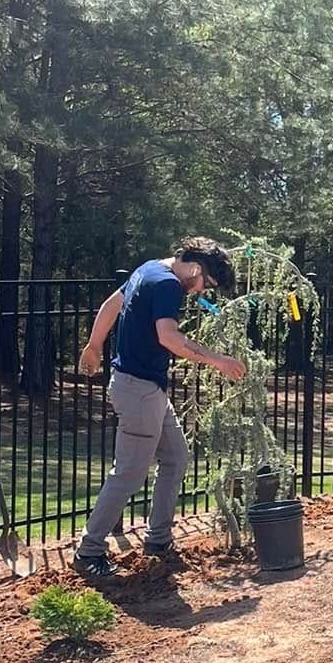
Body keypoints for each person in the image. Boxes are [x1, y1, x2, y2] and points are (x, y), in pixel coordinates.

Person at [73, 239, 245, 580]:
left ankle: (158, 541)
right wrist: (218, 360)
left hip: (144, 388)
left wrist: (94, 345)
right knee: (129, 474)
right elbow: (169, 338)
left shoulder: (148, 268)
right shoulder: (168, 285)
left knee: (176, 457)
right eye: (206, 285)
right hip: (139, 391)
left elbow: (111, 304)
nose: (200, 293)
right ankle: (89, 551)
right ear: (196, 269)